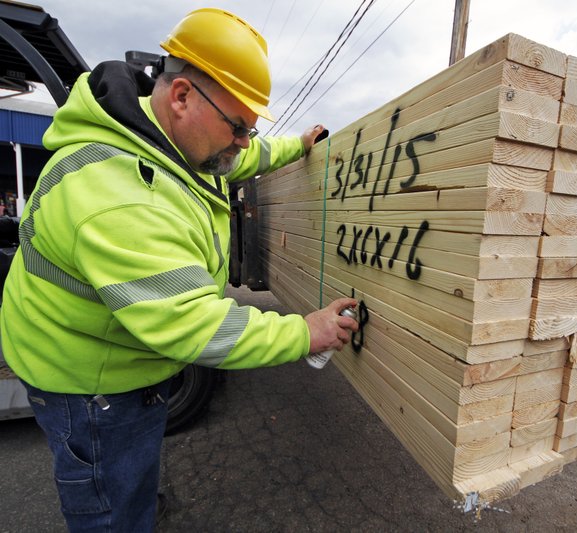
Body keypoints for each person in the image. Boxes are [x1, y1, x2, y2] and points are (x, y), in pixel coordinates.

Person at [0, 7, 357, 532]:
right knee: (109, 503)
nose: (241, 141)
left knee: (131, 475)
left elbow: (246, 157)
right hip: (89, 385)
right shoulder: (117, 198)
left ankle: (131, 500)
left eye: (248, 129)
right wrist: (306, 331)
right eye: (237, 126)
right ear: (183, 95)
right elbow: (196, 326)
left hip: (119, 358)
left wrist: (297, 145)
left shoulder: (173, 142)